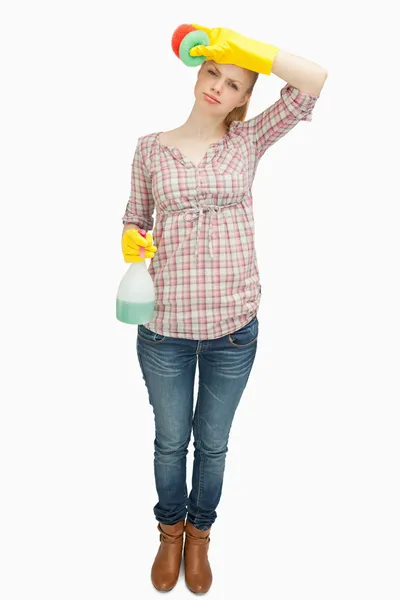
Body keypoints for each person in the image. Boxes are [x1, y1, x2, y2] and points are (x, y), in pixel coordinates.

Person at [121, 27, 327, 594]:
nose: (218, 85)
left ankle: (201, 535)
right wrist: (133, 241)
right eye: (213, 71)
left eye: (233, 82)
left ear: (243, 99)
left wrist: (244, 48)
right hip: (163, 330)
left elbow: (313, 82)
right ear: (197, 73)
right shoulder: (148, 147)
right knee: (170, 442)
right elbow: (135, 217)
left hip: (234, 330)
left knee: (213, 443)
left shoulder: (249, 140)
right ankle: (169, 533)